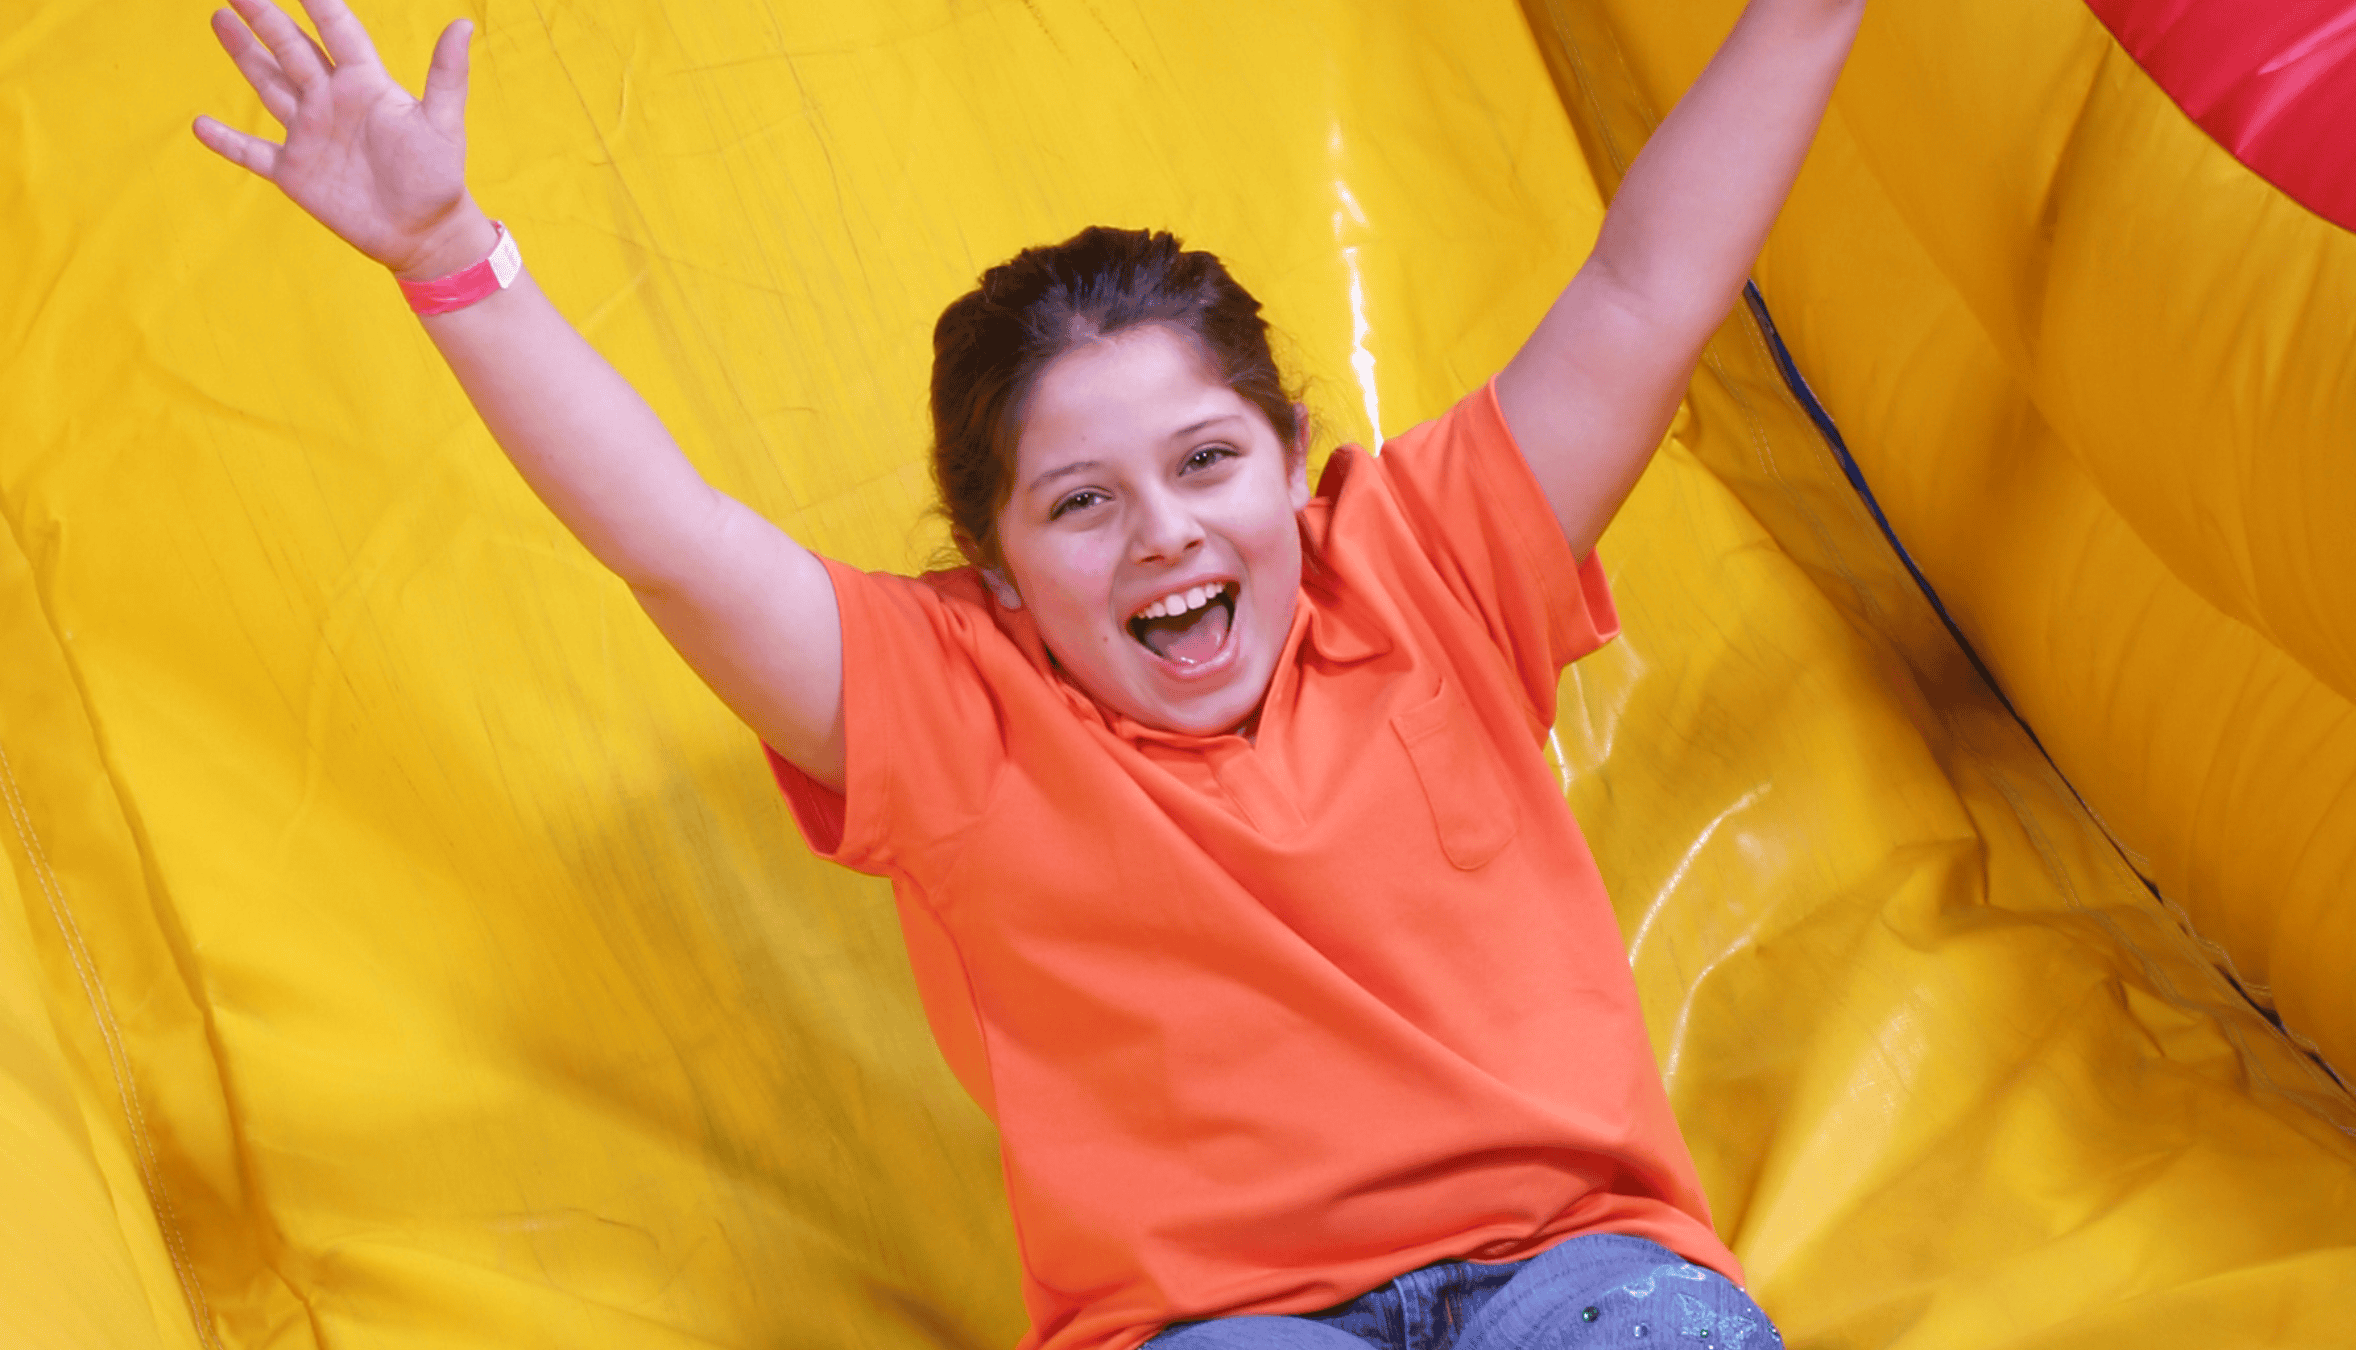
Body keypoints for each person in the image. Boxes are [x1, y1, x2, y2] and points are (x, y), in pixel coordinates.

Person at [193, 0, 1863, 1345]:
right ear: (995, 563)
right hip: (1218, 1323)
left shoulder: (1428, 563)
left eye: (1206, 462)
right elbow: (676, 540)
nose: (1162, 536)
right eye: (1082, 503)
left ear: (1291, 461)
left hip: (1577, 1266)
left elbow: (1651, 287)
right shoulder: (954, 703)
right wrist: (451, 256)